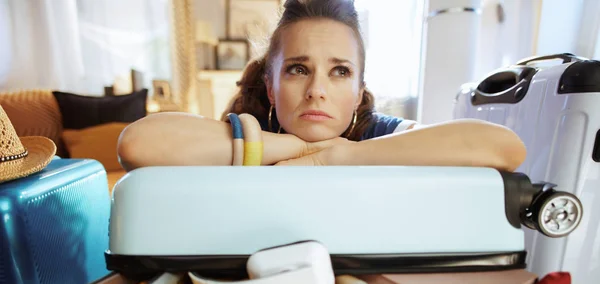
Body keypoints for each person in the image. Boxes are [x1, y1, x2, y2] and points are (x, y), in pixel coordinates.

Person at [117, 0, 526, 171]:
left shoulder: (375, 133)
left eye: (340, 71)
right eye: (297, 69)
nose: (317, 89)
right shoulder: (252, 127)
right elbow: (137, 145)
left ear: (359, 88)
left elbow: (505, 147)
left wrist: (338, 157)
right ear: (271, 86)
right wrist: (292, 148)